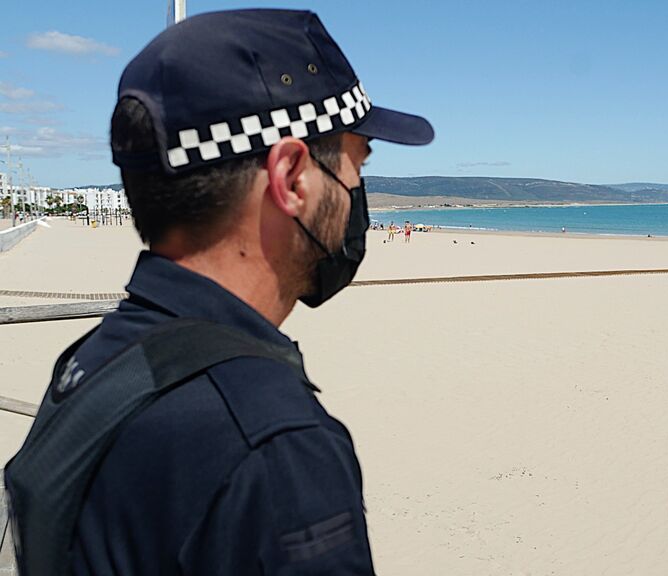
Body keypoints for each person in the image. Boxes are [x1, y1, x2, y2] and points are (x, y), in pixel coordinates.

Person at [4, 10, 433, 574]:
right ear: (291, 178)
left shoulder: (97, 360)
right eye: (357, 165)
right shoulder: (271, 444)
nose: (357, 193)